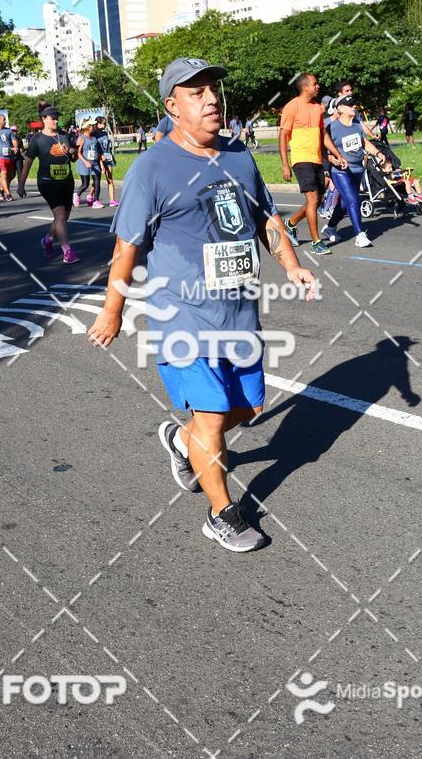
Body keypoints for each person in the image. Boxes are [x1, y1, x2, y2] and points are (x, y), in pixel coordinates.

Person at [88, 57, 317, 553]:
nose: (211, 99)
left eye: (213, 89)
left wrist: (291, 264)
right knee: (213, 416)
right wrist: (113, 310)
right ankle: (222, 513)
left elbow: (267, 220)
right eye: (196, 93)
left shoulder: (237, 154)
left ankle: (180, 439)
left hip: (239, 310)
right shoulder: (151, 168)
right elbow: (126, 248)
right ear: (172, 106)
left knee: (250, 406)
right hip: (184, 314)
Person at [279, 73, 345, 255]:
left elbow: (323, 135)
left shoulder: (317, 108)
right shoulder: (291, 107)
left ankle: (290, 223)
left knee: (318, 201)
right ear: (305, 87)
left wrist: (337, 154)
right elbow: (283, 136)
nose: (318, 87)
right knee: (313, 199)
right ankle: (316, 242)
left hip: (317, 159)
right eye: (315, 84)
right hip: (301, 159)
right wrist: (285, 164)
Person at [321, 95, 387, 247]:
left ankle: (330, 228)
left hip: (358, 168)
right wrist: (331, 159)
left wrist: (377, 153)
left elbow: (364, 142)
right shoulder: (332, 127)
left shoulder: (357, 124)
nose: (354, 106)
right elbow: (322, 147)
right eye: (350, 105)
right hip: (340, 171)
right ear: (341, 109)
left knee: (344, 203)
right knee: (353, 200)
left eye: (354, 104)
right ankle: (360, 235)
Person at [19, 106, 79, 264]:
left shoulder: (64, 135)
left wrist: (72, 152)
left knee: (63, 217)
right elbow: (27, 163)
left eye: (57, 117)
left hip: (66, 180)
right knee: (59, 215)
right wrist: (21, 185)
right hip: (47, 182)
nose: (55, 120)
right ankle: (68, 252)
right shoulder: (37, 139)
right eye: (52, 117)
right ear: (44, 119)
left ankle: (48, 239)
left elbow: (73, 158)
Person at [73, 118, 103, 209]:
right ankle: (77, 195)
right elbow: (78, 153)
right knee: (85, 184)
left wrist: (101, 163)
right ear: (87, 127)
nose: (94, 127)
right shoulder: (81, 138)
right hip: (84, 163)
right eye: (92, 126)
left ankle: (96, 201)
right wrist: (86, 162)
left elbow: (97, 151)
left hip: (95, 163)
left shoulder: (94, 138)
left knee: (97, 182)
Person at [93, 116, 119, 207]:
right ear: (98, 124)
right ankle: (90, 195)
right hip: (98, 159)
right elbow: (95, 148)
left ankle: (112, 200)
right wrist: (100, 157)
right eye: (104, 123)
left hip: (108, 158)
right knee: (97, 181)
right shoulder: (94, 134)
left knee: (110, 179)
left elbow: (107, 146)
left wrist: (111, 156)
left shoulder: (105, 133)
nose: (105, 125)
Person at [11, 125, 27, 197]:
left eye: (15, 131)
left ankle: (21, 190)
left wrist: (22, 150)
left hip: (18, 158)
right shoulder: (7, 139)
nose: (14, 132)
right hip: (10, 158)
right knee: (11, 175)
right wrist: (12, 149)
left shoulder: (19, 139)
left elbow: (22, 148)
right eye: (12, 131)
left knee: (21, 174)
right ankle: (3, 188)